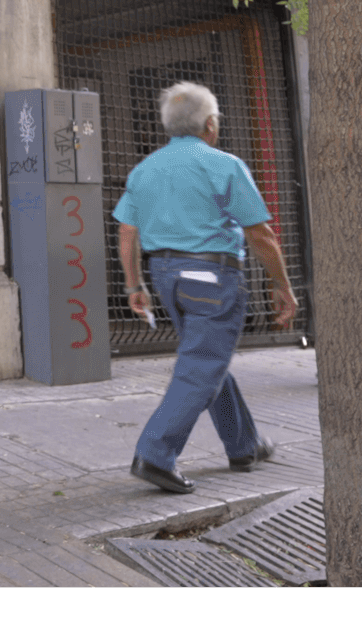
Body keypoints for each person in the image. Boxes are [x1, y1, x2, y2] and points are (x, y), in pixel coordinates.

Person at [116, 81, 299, 494]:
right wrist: (282, 286)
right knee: (200, 366)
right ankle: (155, 454)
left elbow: (128, 232)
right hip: (212, 278)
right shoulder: (223, 164)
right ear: (211, 124)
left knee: (207, 358)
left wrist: (134, 285)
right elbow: (262, 234)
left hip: (167, 278)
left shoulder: (144, 169)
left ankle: (243, 445)